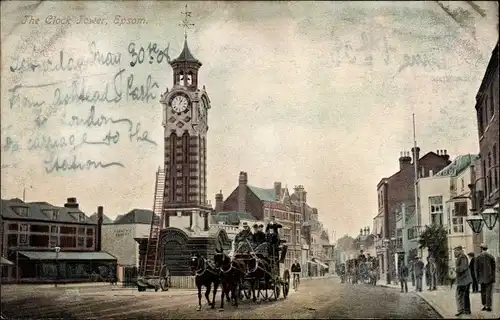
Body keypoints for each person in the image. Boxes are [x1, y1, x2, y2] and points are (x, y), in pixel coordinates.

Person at [474, 243, 496, 312]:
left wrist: (477, 278)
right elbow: (493, 268)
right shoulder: (491, 257)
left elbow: (476, 269)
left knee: (483, 292)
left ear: (481, 249)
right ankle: (488, 307)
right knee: (489, 292)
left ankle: (484, 305)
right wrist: (493, 277)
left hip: (481, 278)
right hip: (489, 278)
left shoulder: (478, 257)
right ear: (487, 248)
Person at [454, 245, 472, 316]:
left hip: (464, 280)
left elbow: (463, 267)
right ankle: (465, 310)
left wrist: (456, 269)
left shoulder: (462, 257)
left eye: (456, 251)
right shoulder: (461, 257)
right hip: (463, 280)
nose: (454, 252)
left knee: (460, 295)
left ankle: (463, 310)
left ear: (460, 251)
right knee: (463, 295)